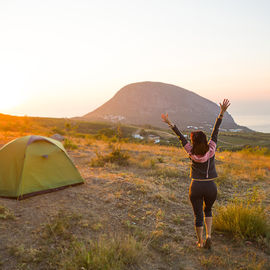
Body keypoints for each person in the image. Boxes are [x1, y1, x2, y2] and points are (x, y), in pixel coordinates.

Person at [161, 99, 230, 249]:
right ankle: (209, 236)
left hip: (196, 186)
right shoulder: (211, 149)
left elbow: (180, 136)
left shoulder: (190, 151)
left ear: (193, 141)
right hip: (210, 185)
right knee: (208, 210)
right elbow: (215, 131)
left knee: (198, 215)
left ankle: (199, 242)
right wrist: (221, 113)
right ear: (205, 140)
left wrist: (169, 122)